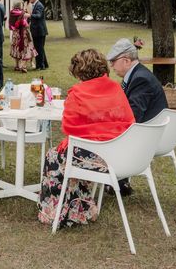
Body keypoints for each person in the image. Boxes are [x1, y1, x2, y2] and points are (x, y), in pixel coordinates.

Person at [38, 49, 135, 228]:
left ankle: (56, 212)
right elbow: (129, 121)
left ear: (79, 71)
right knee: (65, 157)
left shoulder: (78, 92)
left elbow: (68, 127)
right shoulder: (115, 88)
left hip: (92, 156)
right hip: (118, 154)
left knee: (54, 156)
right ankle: (79, 209)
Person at [106, 38, 168, 196]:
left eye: (113, 61)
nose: (111, 65)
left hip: (148, 134)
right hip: (148, 130)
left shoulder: (140, 79)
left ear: (126, 60)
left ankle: (114, 180)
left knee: (101, 133)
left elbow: (132, 115)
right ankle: (117, 181)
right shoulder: (137, 74)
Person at [8, 0, 36, 73]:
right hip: (23, 33)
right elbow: (29, 15)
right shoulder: (21, 13)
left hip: (15, 33)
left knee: (16, 48)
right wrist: (28, 7)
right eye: (22, 4)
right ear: (19, 5)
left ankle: (17, 65)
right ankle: (23, 66)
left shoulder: (12, 12)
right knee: (25, 48)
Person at [28, 0, 48, 70]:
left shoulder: (39, 5)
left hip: (39, 30)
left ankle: (40, 66)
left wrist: (29, 15)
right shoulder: (34, 5)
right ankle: (44, 64)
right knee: (40, 48)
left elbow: (38, 15)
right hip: (37, 30)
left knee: (39, 48)